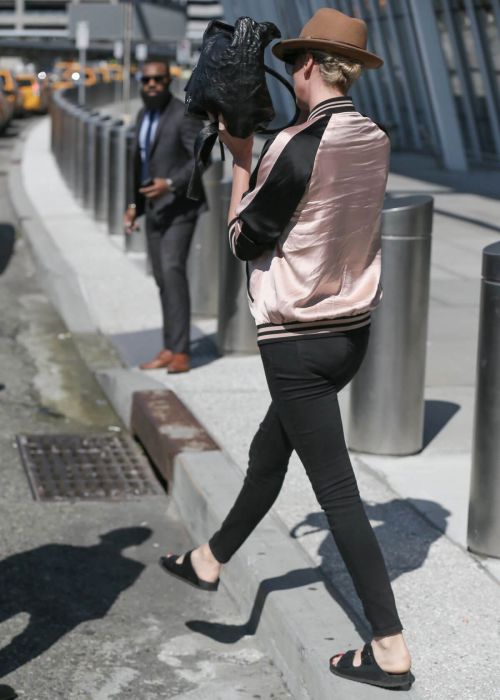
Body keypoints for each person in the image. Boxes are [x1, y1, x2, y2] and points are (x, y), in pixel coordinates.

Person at [159, 8, 414, 691]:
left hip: (297, 343)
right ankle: (212, 559)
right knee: (271, 453)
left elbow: (246, 239)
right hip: (351, 334)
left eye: (293, 65)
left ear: (304, 64)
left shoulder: (294, 146)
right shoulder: (376, 136)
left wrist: (242, 163)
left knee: (337, 496)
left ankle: (389, 648)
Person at [124, 59, 205, 374]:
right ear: (141, 85)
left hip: (180, 207)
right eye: (146, 81)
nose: (152, 85)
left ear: (168, 82)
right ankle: (169, 346)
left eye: (158, 79)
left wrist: (170, 184)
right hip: (154, 209)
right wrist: (133, 206)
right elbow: (139, 167)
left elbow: (201, 159)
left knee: (172, 270)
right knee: (162, 279)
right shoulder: (143, 115)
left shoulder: (183, 114)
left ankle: (181, 351)